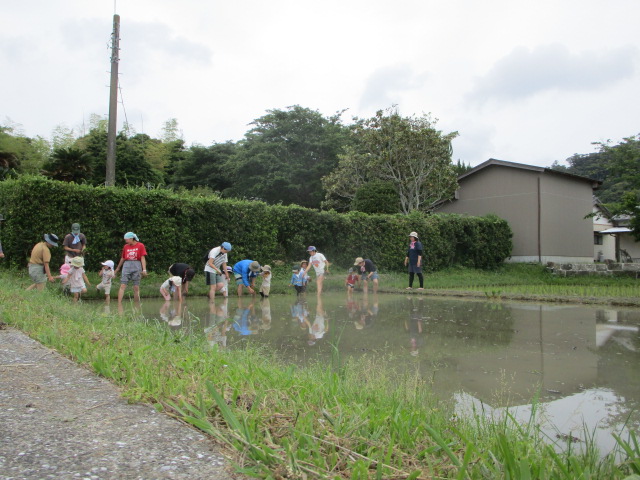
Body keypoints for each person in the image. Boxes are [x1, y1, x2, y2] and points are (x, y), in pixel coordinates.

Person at [114, 232, 148, 304]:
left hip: (137, 265)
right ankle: (119, 303)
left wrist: (144, 269)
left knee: (136, 287)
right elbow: (123, 258)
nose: (126, 241)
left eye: (127, 239)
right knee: (123, 285)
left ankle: (136, 304)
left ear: (131, 238)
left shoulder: (140, 245)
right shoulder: (126, 246)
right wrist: (117, 268)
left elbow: (142, 258)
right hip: (127, 265)